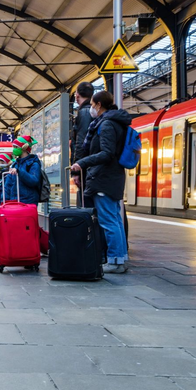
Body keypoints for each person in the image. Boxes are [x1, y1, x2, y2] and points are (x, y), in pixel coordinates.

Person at [71, 90, 131, 273]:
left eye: (93, 105)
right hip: (112, 176)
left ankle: (115, 261)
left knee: (108, 221)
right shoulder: (115, 122)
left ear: (98, 105)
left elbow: (107, 153)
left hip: (104, 178)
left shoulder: (106, 124)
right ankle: (120, 258)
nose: (91, 108)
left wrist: (82, 162)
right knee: (115, 219)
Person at [71, 81, 94, 207]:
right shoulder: (93, 111)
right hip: (91, 165)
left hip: (86, 167)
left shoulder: (84, 112)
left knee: (87, 204)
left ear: (77, 96)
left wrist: (76, 171)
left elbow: (80, 143)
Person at [4, 135, 42, 205]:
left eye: (16, 147)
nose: (14, 149)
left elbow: (34, 181)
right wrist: (4, 201)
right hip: (14, 202)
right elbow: (8, 185)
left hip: (28, 202)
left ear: (24, 147)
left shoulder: (33, 164)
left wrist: (19, 171)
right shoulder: (15, 164)